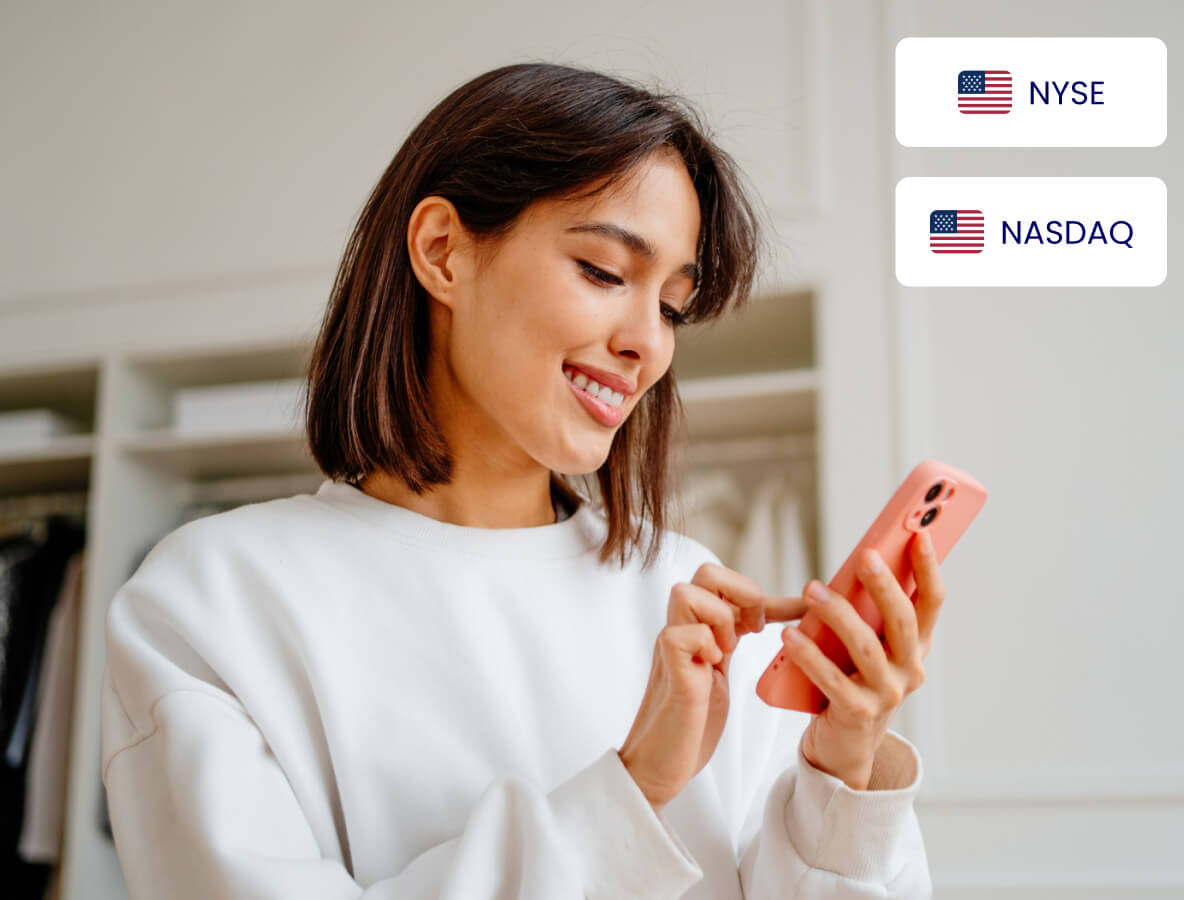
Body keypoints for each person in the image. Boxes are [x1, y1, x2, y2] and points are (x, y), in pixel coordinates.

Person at [101, 61, 939, 898]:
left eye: (673, 307)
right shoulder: (209, 599)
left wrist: (842, 770)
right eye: (606, 273)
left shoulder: (691, 597)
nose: (647, 342)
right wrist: (631, 790)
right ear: (442, 253)